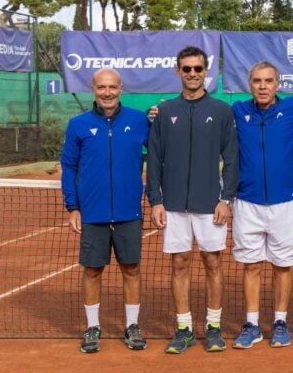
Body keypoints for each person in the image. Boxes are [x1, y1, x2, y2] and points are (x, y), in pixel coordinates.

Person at [147, 46, 238, 354]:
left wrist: (227, 199)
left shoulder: (223, 111)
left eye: (198, 69)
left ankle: (214, 326)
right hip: (173, 205)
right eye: (186, 69)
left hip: (210, 203)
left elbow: (232, 158)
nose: (193, 74)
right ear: (178, 72)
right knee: (180, 263)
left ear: (205, 72)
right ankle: (184, 328)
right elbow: (154, 158)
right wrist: (155, 200)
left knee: (213, 262)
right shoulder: (164, 111)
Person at [61, 68, 150, 353]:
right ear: (93, 89)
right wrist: (72, 206)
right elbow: (69, 167)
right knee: (92, 271)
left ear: (121, 88)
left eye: (112, 87)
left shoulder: (139, 121)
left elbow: (162, 154)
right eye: (102, 87)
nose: (107, 92)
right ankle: (92, 327)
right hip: (93, 214)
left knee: (132, 269)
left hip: (129, 213)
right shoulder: (78, 125)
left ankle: (132, 326)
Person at [230, 61, 293, 349]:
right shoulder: (238, 111)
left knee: (282, 266)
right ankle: (252, 323)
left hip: (284, 204)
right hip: (247, 202)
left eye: (268, 81)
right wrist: (158, 113)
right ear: (249, 84)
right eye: (257, 81)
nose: (262, 86)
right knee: (251, 266)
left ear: (277, 84)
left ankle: (280, 321)